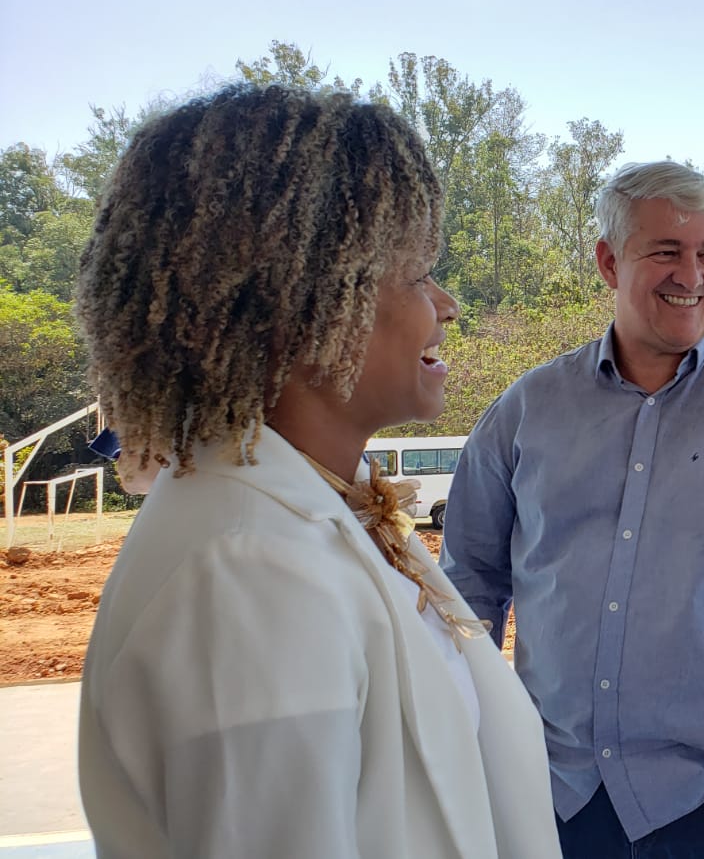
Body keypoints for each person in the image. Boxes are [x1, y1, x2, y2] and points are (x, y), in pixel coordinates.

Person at [74, 85, 561, 857]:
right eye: (417, 274)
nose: (446, 304)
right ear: (301, 307)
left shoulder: (316, 515)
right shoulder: (246, 574)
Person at [442, 161, 704, 858]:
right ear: (609, 262)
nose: (693, 275)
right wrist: (484, 731)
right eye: (667, 250)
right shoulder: (526, 411)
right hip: (558, 796)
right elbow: (467, 585)